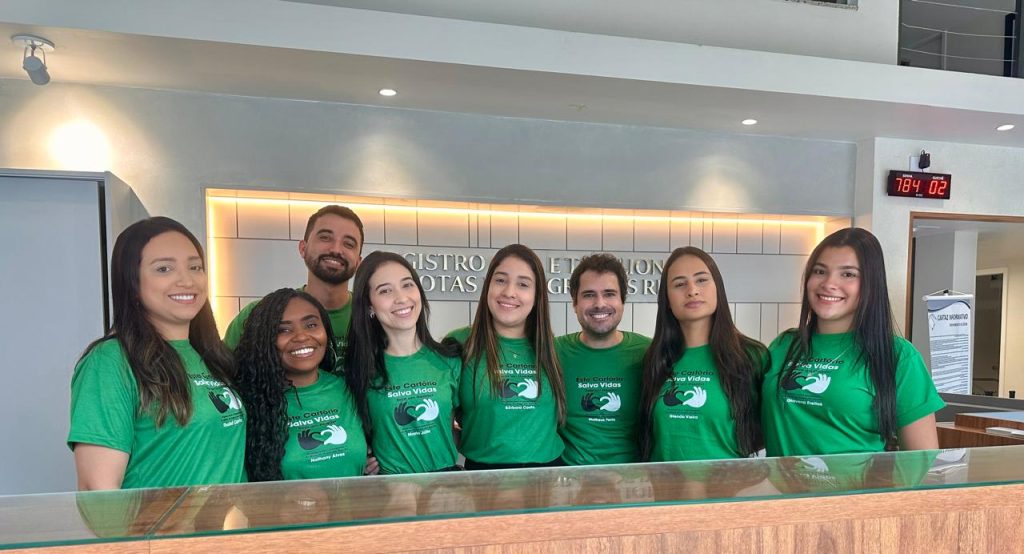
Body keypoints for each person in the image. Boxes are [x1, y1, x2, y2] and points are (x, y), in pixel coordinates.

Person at [68, 217, 245, 490]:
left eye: (195, 267)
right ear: (133, 283)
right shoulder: (110, 361)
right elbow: (98, 490)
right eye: (164, 269)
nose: (186, 280)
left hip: (225, 532)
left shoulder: (212, 356)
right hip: (155, 533)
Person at [762, 227, 944, 456]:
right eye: (820, 271)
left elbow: (922, 460)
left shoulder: (898, 356)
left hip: (858, 491)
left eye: (848, 274)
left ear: (870, 283)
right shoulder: (784, 346)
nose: (829, 283)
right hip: (782, 491)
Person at [637, 246, 768, 462]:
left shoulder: (752, 357)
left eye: (701, 280)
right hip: (666, 489)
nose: (692, 290)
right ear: (667, 301)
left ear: (718, 288)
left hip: (729, 491)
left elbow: (766, 437)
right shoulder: (656, 359)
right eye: (679, 284)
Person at [448, 244, 566, 470]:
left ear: (536, 295)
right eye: (501, 280)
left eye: (523, 284)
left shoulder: (550, 348)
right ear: (488, 286)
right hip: (483, 477)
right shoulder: (460, 344)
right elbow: (442, 418)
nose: (509, 292)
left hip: (547, 476)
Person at [344, 251, 462, 474]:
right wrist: (364, 459)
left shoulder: (449, 360)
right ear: (369, 306)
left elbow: (465, 427)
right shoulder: (360, 371)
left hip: (446, 489)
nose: (401, 298)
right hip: (392, 494)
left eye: (407, 285)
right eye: (385, 290)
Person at [234, 288, 368, 481]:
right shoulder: (250, 402)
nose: (302, 336)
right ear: (265, 340)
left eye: (311, 325)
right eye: (284, 330)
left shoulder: (345, 389)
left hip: (355, 510)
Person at [224, 205, 364, 369]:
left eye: (348, 244)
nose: (336, 249)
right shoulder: (258, 315)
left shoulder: (376, 318)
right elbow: (222, 378)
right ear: (303, 248)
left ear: (358, 262)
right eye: (325, 238)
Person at [555, 253, 650, 465]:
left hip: (633, 482)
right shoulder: (553, 352)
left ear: (622, 300)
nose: (600, 304)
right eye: (589, 295)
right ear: (575, 302)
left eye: (609, 294)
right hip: (569, 481)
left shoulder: (649, 352)